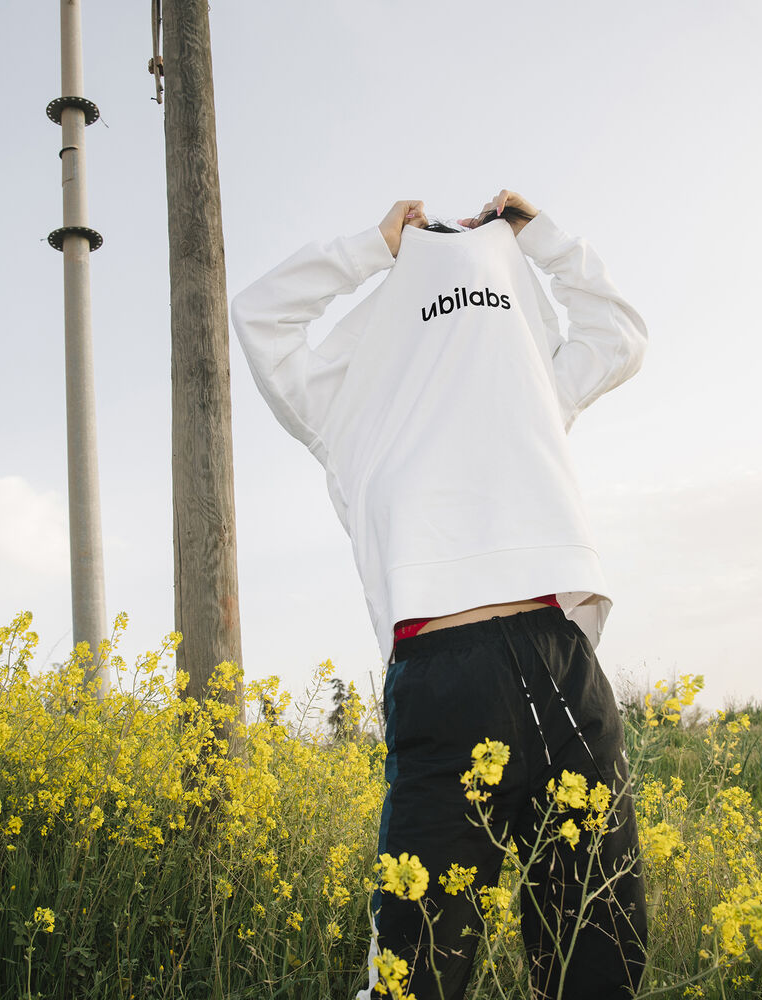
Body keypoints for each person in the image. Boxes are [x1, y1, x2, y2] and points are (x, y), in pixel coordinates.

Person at [231, 190, 648, 1000]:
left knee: (600, 959)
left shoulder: (528, 367)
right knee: (412, 975)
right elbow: (259, 314)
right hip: (453, 677)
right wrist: (372, 248)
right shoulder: (351, 395)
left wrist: (540, 239)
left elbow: (621, 335)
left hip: (558, 657)